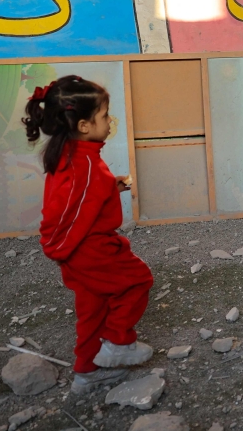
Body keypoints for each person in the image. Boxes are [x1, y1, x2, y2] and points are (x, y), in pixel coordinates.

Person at [24, 75, 154, 394]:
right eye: (104, 116)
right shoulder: (84, 166)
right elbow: (67, 209)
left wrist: (112, 187)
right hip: (89, 248)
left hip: (78, 250)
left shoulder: (74, 154)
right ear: (84, 125)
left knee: (93, 307)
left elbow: (80, 199)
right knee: (137, 280)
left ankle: (87, 372)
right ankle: (118, 345)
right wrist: (58, 247)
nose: (110, 122)